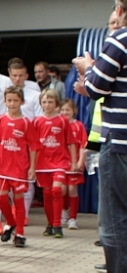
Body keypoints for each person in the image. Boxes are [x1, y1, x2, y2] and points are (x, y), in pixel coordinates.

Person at [73, 0, 127, 273]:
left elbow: (95, 86)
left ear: (120, 9)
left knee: (114, 219)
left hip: (119, 143)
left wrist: (88, 66)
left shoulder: (119, 40)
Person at [0, 87, 38, 249]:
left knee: (19, 201)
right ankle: (10, 222)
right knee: (1, 198)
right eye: (9, 100)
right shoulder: (0, 120)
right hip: (2, 167)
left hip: (19, 168)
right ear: (4, 101)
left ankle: (20, 234)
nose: (12, 104)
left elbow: (33, 146)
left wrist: (32, 167)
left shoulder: (26, 123)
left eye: (15, 100)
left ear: (22, 102)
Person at [34, 88, 74, 239]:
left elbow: (71, 142)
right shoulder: (36, 121)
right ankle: (50, 223)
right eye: (44, 102)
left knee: (57, 190)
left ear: (56, 103)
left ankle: (57, 225)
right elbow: (32, 146)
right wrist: (31, 165)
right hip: (42, 163)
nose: (47, 105)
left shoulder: (63, 121)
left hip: (60, 162)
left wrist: (73, 162)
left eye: (50, 101)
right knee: (47, 193)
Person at [61, 98, 87, 231]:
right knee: (62, 189)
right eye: (63, 110)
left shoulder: (79, 126)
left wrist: (80, 161)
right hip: (61, 163)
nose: (65, 112)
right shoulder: (59, 125)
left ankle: (73, 218)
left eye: (68, 110)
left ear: (74, 111)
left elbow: (83, 145)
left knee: (72, 189)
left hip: (74, 163)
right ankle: (64, 211)